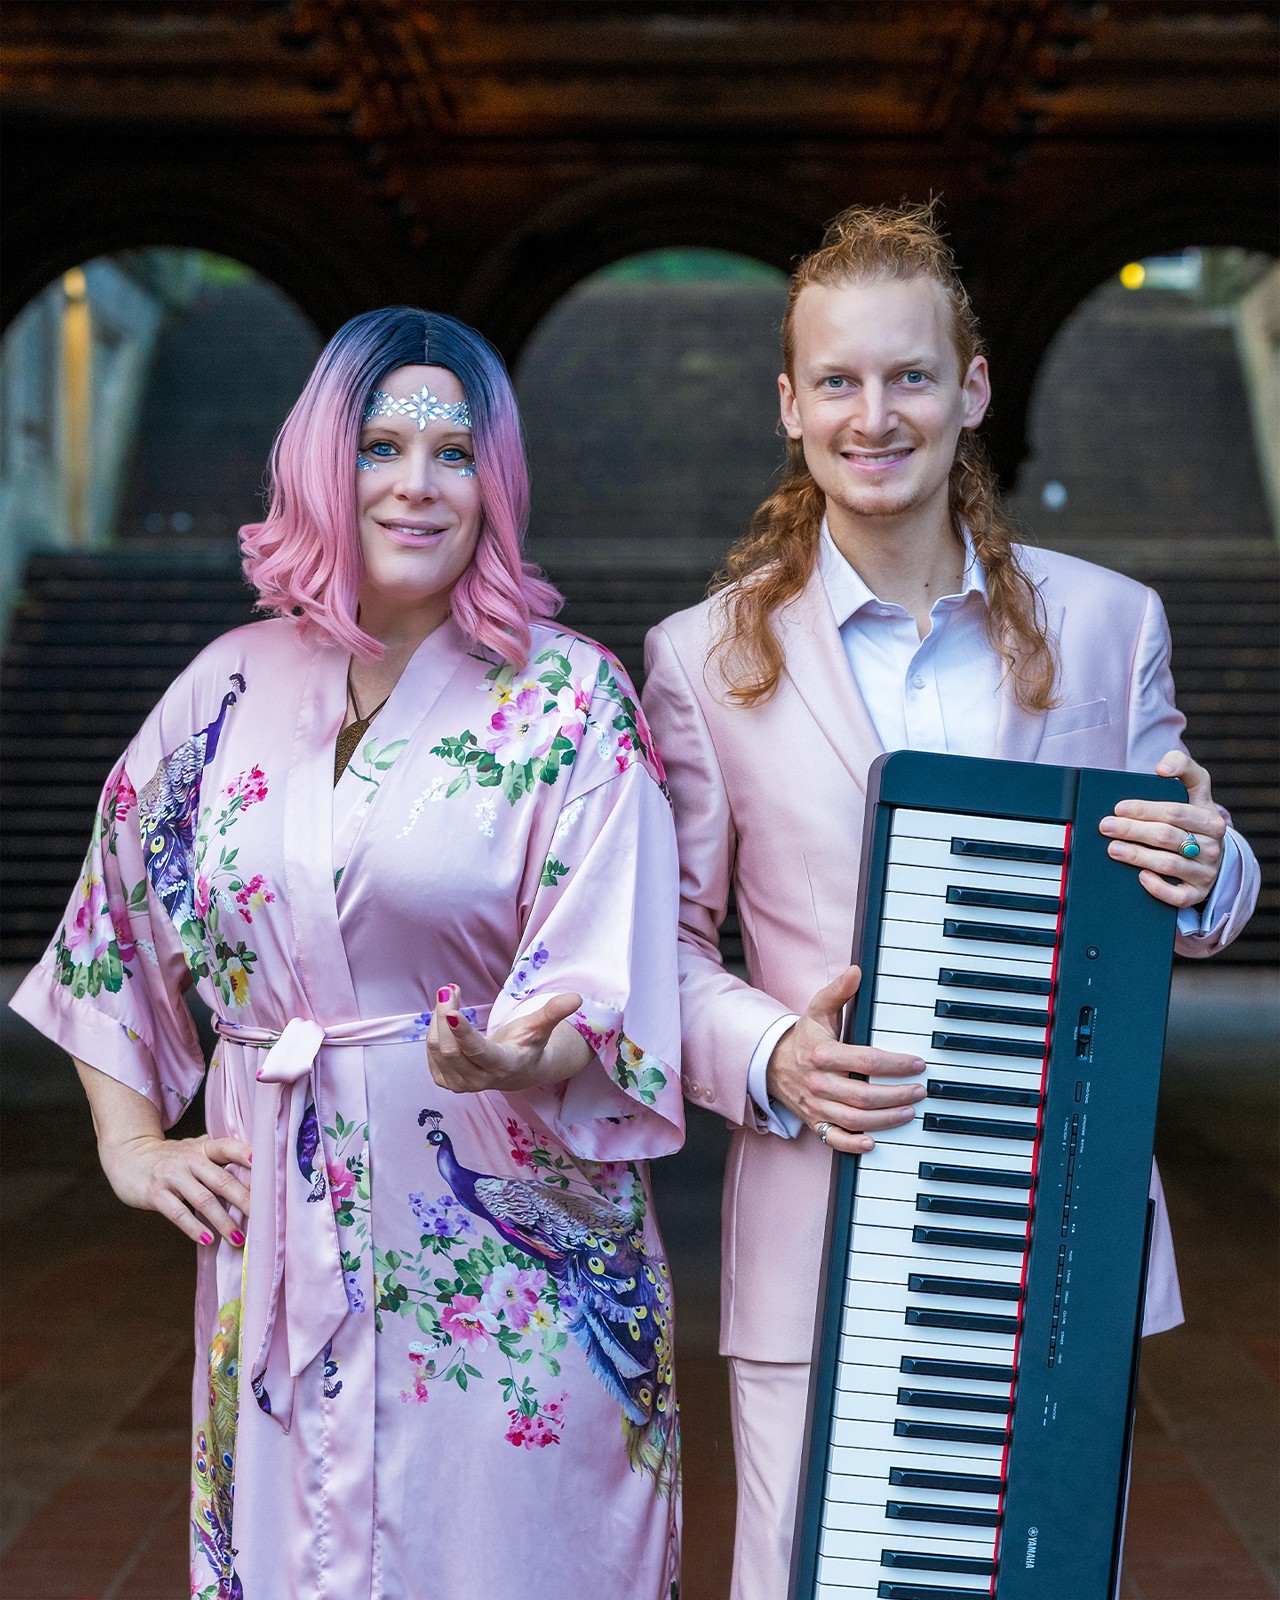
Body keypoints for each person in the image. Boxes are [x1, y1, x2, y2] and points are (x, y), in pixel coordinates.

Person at [12, 308, 684, 1599]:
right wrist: (127, 1143)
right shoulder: (224, 691)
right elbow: (113, 922)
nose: (418, 484)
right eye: (383, 445)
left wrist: (515, 1048)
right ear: (328, 461)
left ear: (497, 478)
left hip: (509, 1254)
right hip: (282, 1240)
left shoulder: (571, 700)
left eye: (454, 451)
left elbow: (616, 967)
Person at [640, 203, 1260, 1600]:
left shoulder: (1112, 624)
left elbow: (1197, 877)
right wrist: (769, 1053)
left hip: (1053, 1217)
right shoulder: (697, 660)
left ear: (972, 390)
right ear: (791, 406)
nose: (878, 413)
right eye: (840, 381)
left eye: (911, 374)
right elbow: (662, 954)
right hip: (817, 1219)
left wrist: (1210, 861)